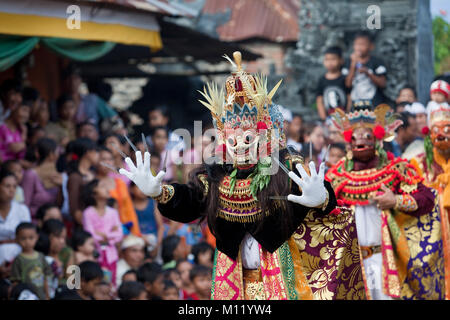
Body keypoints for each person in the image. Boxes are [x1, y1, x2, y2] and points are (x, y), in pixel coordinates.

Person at [120, 52, 364, 300]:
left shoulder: (285, 166)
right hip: (233, 280)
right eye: (232, 139)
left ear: (263, 136)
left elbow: (319, 196)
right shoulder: (215, 174)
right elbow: (192, 199)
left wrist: (321, 196)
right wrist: (160, 192)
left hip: (281, 277)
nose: (239, 145)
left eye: (247, 138)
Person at [326, 105, 445, 299]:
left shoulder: (395, 170)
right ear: (348, 141)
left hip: (387, 258)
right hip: (350, 263)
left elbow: (427, 199)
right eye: (356, 137)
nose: (361, 141)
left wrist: (396, 200)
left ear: (378, 139)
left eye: (367, 136)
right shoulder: (337, 177)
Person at [412, 106, 450, 299]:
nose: (442, 135)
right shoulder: (418, 164)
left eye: (447, 129)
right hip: (431, 235)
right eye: (437, 130)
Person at [82, 179, 123, 287]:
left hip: (111, 254)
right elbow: (90, 235)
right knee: (98, 283)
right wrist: (110, 234)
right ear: (93, 193)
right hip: (95, 253)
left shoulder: (113, 212)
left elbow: (119, 234)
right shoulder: (88, 213)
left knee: (110, 284)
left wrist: (104, 235)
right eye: (102, 186)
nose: (107, 189)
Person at [96, 147, 141, 236]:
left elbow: (130, 210)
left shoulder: (120, 183)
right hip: (104, 232)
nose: (107, 162)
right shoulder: (94, 185)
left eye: (110, 159)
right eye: (104, 159)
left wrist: (136, 233)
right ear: (97, 161)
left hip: (126, 229)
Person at [343, 31, 387, 107]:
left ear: (371, 46)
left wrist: (367, 73)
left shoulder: (377, 62)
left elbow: (383, 84)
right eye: (357, 44)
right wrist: (353, 65)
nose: (359, 47)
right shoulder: (348, 63)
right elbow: (347, 84)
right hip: (355, 103)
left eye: (362, 44)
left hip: (374, 102)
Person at [21, 138, 62, 219]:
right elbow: (24, 206)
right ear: (51, 155)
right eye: (57, 152)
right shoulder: (31, 175)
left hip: (53, 221)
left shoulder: (58, 175)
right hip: (35, 221)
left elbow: (59, 204)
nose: (59, 155)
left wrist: (61, 186)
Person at [10, 223, 52, 300]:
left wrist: (47, 295)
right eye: (23, 238)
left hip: (41, 295)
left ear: (37, 237)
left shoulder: (41, 256)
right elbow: (15, 282)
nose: (27, 241)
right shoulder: (18, 260)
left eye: (31, 238)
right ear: (17, 239)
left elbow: (46, 277)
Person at [0, 169, 31, 272]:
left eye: (14, 186)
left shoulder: (22, 210)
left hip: (19, 259)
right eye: (7, 186)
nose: (12, 190)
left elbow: (28, 237)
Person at [66, 138, 99, 226]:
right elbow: (74, 208)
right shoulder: (75, 177)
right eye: (95, 151)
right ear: (88, 153)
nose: (97, 155)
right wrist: (89, 228)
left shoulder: (92, 174)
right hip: (84, 225)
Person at [316, 46, 351, 120]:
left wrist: (347, 114)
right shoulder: (322, 80)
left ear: (341, 60)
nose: (330, 62)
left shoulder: (345, 79)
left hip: (344, 118)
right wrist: (324, 118)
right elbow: (319, 100)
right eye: (327, 59)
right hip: (328, 118)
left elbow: (349, 97)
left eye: (333, 59)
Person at [130, 182, 163, 254]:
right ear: (131, 189)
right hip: (136, 239)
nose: (142, 189)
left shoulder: (153, 204)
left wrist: (158, 244)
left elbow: (161, 226)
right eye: (139, 187)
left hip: (153, 239)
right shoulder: (129, 206)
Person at [41, 219, 74, 285]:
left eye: (64, 238)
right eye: (58, 237)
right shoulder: (39, 255)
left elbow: (73, 282)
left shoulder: (67, 252)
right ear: (47, 236)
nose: (62, 241)